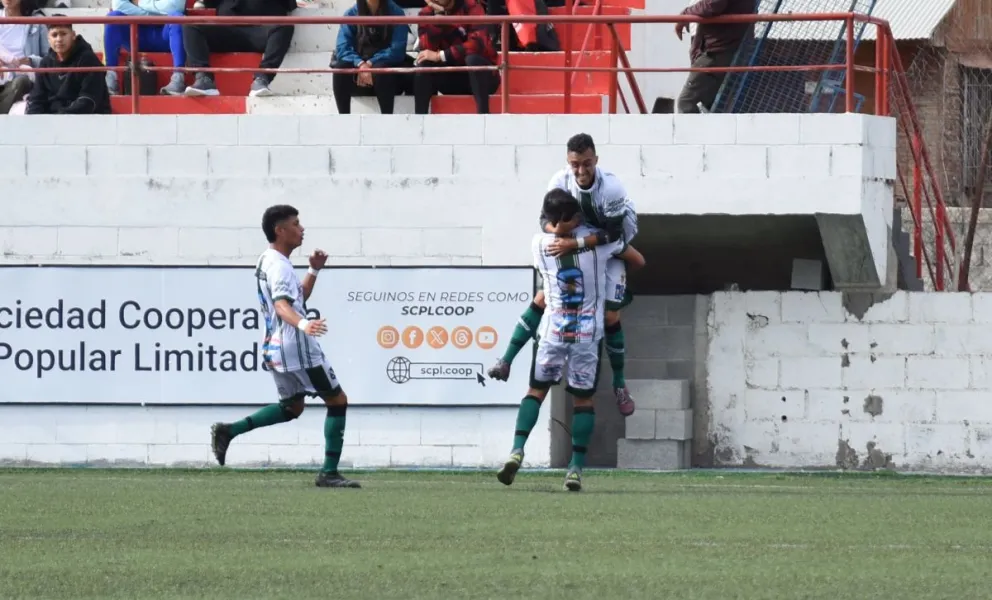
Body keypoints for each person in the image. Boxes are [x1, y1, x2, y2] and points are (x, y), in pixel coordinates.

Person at [497, 188, 646, 492]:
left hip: (552, 331)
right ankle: (575, 468)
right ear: (571, 218)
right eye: (575, 214)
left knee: (536, 391)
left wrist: (558, 229)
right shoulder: (596, 246)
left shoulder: (538, 244)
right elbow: (637, 259)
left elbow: (551, 228)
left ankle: (517, 449)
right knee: (583, 401)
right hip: (586, 334)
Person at [487, 133, 641, 418]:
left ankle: (620, 384)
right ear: (568, 162)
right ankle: (506, 360)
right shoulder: (559, 181)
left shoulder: (612, 188)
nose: (581, 171)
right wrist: (558, 234)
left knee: (609, 316)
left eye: (586, 164)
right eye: (575, 165)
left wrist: (576, 243)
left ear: (596, 160)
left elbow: (615, 234)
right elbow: (545, 219)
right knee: (544, 297)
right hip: (573, 240)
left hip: (606, 245)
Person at [209, 205, 361, 489]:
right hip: (298, 347)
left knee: (292, 407)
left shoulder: (268, 260)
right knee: (338, 401)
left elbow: (296, 297)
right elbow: (282, 306)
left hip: (274, 348)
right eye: (296, 223)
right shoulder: (279, 265)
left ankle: (229, 431)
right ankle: (329, 473)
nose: (301, 228)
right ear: (280, 230)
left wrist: (314, 270)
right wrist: (304, 325)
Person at [181, 0, 296, 97]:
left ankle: (262, 79)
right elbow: (206, 3)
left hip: (261, 31)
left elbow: (290, 4)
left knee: (285, 26)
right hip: (227, 30)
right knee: (191, 26)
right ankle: (204, 79)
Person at [412, 0, 498, 114]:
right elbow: (426, 48)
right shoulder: (425, 13)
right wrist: (438, 21)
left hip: (483, 78)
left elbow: (477, 43)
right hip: (452, 76)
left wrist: (441, 55)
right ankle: (419, 121)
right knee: (424, 63)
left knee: (472, 59)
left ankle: (484, 116)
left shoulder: (472, 7)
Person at [675, 0, 756, 113]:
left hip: (717, 53)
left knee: (687, 102)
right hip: (727, 50)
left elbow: (713, 5)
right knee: (710, 107)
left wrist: (686, 14)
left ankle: (691, 131)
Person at [331, 0, 408, 114]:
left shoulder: (397, 13)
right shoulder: (351, 14)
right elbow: (343, 47)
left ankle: (387, 120)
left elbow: (397, 50)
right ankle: (343, 119)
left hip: (387, 80)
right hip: (359, 79)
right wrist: (360, 64)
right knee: (340, 68)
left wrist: (371, 63)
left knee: (382, 70)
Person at [103, 0, 187, 96]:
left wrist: (139, 3)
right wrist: (157, 14)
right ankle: (111, 78)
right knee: (113, 17)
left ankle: (178, 77)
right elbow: (119, 5)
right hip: (135, 34)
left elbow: (175, 6)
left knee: (177, 16)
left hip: (163, 34)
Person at [26, 20, 110, 114]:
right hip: (51, 121)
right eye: (54, 35)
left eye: (63, 34)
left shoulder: (88, 59)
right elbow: (37, 99)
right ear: (48, 39)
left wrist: (59, 118)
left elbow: (88, 101)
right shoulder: (45, 63)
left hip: (88, 121)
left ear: (73, 35)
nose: (59, 39)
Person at [0, 0, 47, 114]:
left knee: (21, 82)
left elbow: (49, 58)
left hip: (22, 78)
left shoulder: (37, 21)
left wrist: (30, 60)